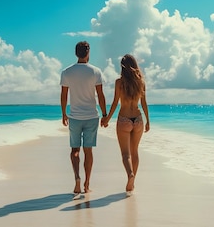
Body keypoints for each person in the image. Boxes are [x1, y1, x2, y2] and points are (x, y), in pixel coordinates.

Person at [60, 41, 107, 196]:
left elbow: (64, 95)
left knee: (74, 150)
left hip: (74, 116)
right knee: (88, 151)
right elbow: (100, 95)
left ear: (76, 53)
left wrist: (63, 113)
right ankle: (87, 184)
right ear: (88, 52)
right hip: (92, 116)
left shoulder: (67, 72)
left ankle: (77, 179)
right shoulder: (96, 71)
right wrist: (105, 114)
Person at [101, 54, 150, 194]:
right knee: (135, 152)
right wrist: (147, 121)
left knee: (125, 154)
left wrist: (107, 119)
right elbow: (144, 103)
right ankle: (132, 182)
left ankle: (130, 175)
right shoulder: (141, 82)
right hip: (138, 119)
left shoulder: (119, 82)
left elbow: (115, 103)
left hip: (124, 120)